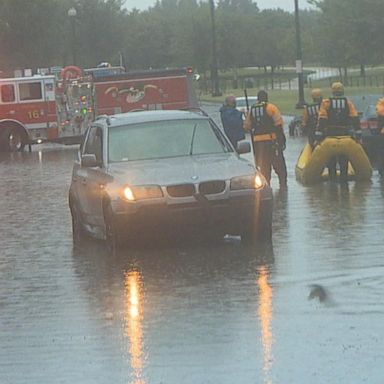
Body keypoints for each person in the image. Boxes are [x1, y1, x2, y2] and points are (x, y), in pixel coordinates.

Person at [316, 82, 360, 181]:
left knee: (331, 160)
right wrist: (358, 136)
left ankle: (333, 182)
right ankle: (344, 182)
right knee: (343, 159)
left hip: (330, 136)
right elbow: (355, 118)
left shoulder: (326, 103)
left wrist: (318, 138)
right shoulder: (348, 102)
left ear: (332, 91)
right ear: (342, 90)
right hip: (345, 135)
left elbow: (322, 120)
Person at [243, 90, 287, 189]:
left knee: (263, 166)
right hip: (271, 142)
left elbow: (247, 126)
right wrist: (282, 141)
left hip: (258, 145)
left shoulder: (252, 110)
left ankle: (266, 185)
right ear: (266, 97)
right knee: (279, 164)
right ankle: (283, 184)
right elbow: (279, 124)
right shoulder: (271, 108)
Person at [375, 97, 384, 177]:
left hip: (382, 134)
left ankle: (381, 171)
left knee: (381, 152)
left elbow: (380, 122)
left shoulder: (381, 104)